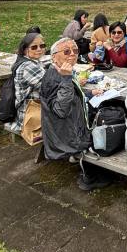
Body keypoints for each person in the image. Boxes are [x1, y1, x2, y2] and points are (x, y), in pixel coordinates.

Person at [39, 37, 111, 191]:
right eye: (66, 51)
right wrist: (66, 79)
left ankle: (90, 170)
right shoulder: (53, 77)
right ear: (54, 57)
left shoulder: (60, 71)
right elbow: (61, 111)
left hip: (69, 127)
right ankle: (90, 176)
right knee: (108, 132)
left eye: (75, 50)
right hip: (66, 137)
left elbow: (70, 95)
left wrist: (90, 92)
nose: (72, 54)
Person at [8, 32, 48, 132]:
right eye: (34, 47)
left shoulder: (33, 62)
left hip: (32, 110)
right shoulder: (28, 66)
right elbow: (49, 86)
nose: (39, 49)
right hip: (30, 117)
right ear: (25, 49)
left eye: (42, 46)